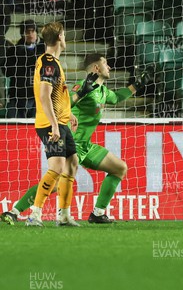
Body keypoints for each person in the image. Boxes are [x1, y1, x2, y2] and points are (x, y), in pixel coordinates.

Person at [1, 54, 149, 225]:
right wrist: (78, 97)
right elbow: (65, 104)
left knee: (119, 168)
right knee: (55, 184)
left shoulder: (102, 91)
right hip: (72, 143)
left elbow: (116, 98)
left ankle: (98, 213)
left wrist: (137, 85)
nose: (109, 67)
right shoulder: (82, 87)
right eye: (105, 64)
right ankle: (14, 211)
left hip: (86, 146)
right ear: (96, 68)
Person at [25, 22, 83, 227]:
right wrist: (55, 125)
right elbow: (44, 95)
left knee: (72, 163)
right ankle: (34, 214)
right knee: (57, 167)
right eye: (65, 35)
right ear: (59, 37)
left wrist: (67, 116)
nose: (66, 39)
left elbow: (58, 95)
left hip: (59, 121)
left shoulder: (53, 62)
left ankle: (64, 215)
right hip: (50, 123)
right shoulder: (49, 62)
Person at [1, 20, 46, 118]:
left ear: (36, 32)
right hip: (18, 96)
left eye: (32, 31)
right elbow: (7, 71)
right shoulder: (13, 51)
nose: (30, 34)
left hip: (39, 96)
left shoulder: (46, 50)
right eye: (27, 32)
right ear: (22, 34)